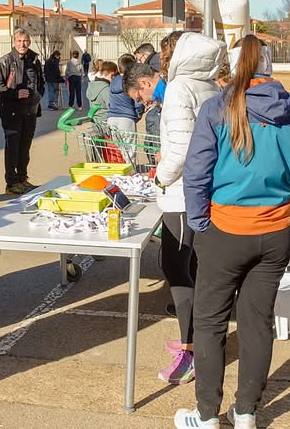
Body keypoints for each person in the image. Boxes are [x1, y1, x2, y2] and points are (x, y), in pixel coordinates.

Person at [175, 35, 290, 429]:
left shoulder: (217, 107)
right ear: (270, 67)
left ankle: (207, 414)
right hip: (275, 232)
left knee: (210, 323)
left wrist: (199, 225)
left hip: (225, 229)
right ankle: (246, 412)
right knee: (257, 324)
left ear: (234, 67)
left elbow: (196, 175)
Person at [124, 33, 224, 387]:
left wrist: (161, 177)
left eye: (163, 56)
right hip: (201, 191)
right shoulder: (206, 84)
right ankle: (196, 340)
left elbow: (181, 150)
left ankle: (191, 351)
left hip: (183, 195)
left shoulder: (180, 89)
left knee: (177, 268)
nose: (160, 63)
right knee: (191, 268)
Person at [0, 28, 44, 195]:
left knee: (25, 148)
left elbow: (41, 83)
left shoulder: (34, 60)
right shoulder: (6, 60)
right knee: (12, 148)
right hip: (11, 112)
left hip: (30, 111)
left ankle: (22, 178)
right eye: (19, 41)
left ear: (29, 42)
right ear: (14, 42)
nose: (23, 44)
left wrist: (38, 96)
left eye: (25, 41)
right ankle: (11, 183)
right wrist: (14, 94)